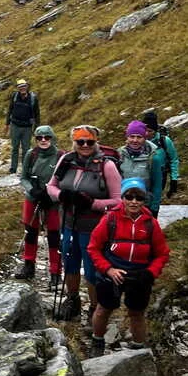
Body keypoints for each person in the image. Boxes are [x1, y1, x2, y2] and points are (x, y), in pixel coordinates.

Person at [87, 178, 171, 355]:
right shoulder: (110, 219)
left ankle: (139, 348)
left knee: (137, 313)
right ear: (122, 198)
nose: (134, 201)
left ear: (144, 200)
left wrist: (150, 273)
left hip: (140, 275)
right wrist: (108, 269)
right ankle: (97, 342)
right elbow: (93, 247)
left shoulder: (151, 223)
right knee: (103, 309)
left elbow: (162, 253)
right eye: (129, 196)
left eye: (139, 198)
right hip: (111, 273)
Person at [48, 125, 123, 321]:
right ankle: (72, 300)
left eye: (89, 141)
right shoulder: (66, 160)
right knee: (70, 263)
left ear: (96, 142)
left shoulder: (106, 165)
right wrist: (61, 195)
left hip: (94, 228)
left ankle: (95, 309)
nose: (85, 145)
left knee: (92, 269)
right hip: (68, 223)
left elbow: (118, 201)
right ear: (74, 142)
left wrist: (93, 203)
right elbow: (51, 186)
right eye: (80, 141)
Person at [14, 125, 62, 284]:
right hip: (33, 198)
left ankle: (56, 272)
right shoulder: (31, 154)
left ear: (52, 138)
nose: (43, 140)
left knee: (54, 236)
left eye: (47, 137)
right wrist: (32, 190)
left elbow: (64, 180)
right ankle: (29, 266)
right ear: (35, 139)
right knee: (30, 231)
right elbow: (24, 177)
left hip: (53, 201)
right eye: (39, 138)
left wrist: (52, 194)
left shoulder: (61, 156)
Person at [118, 121, 166, 216]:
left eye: (139, 137)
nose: (135, 140)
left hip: (145, 205)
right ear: (127, 137)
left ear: (145, 138)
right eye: (132, 136)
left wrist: (154, 208)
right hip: (123, 205)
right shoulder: (119, 155)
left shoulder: (153, 158)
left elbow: (157, 185)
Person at [142, 111, 180, 198]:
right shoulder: (138, 140)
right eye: (145, 130)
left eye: (150, 131)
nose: (147, 133)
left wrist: (174, 180)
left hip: (160, 176)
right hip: (142, 175)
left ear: (155, 131)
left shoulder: (164, 141)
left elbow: (174, 160)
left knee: (154, 200)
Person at [5, 79, 40, 174]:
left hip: (27, 127)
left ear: (27, 86)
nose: (22, 88)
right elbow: (10, 110)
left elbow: (37, 114)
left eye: (24, 86)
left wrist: (37, 128)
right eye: (20, 87)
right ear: (18, 88)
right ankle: (13, 168)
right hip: (15, 126)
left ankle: (25, 170)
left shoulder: (33, 98)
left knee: (26, 149)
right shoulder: (14, 96)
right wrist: (7, 124)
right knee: (15, 148)